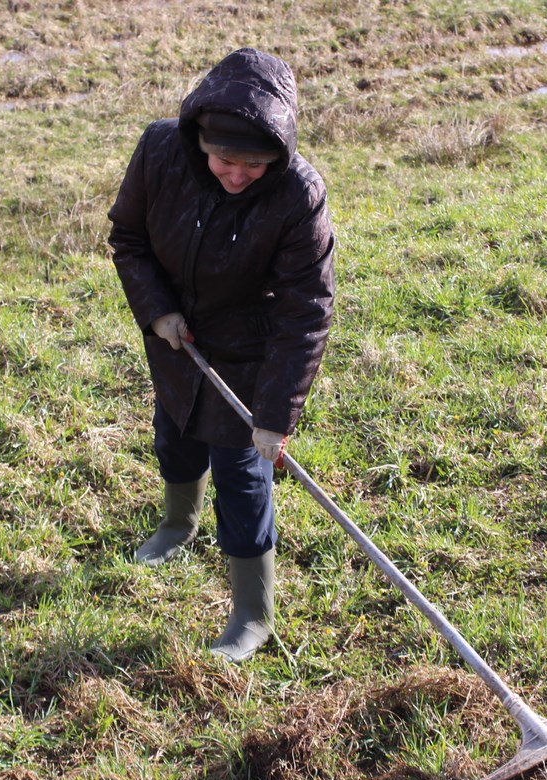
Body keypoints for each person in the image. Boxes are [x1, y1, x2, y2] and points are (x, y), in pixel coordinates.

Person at [108, 48, 335, 663]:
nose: (236, 175)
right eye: (224, 160)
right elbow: (128, 237)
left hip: (250, 352)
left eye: (253, 165)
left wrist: (275, 415)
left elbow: (306, 310)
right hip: (176, 338)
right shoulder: (160, 151)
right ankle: (177, 524)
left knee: (241, 475)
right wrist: (157, 310)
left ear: (278, 155)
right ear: (199, 140)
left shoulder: (299, 195)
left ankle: (252, 614)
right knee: (175, 433)